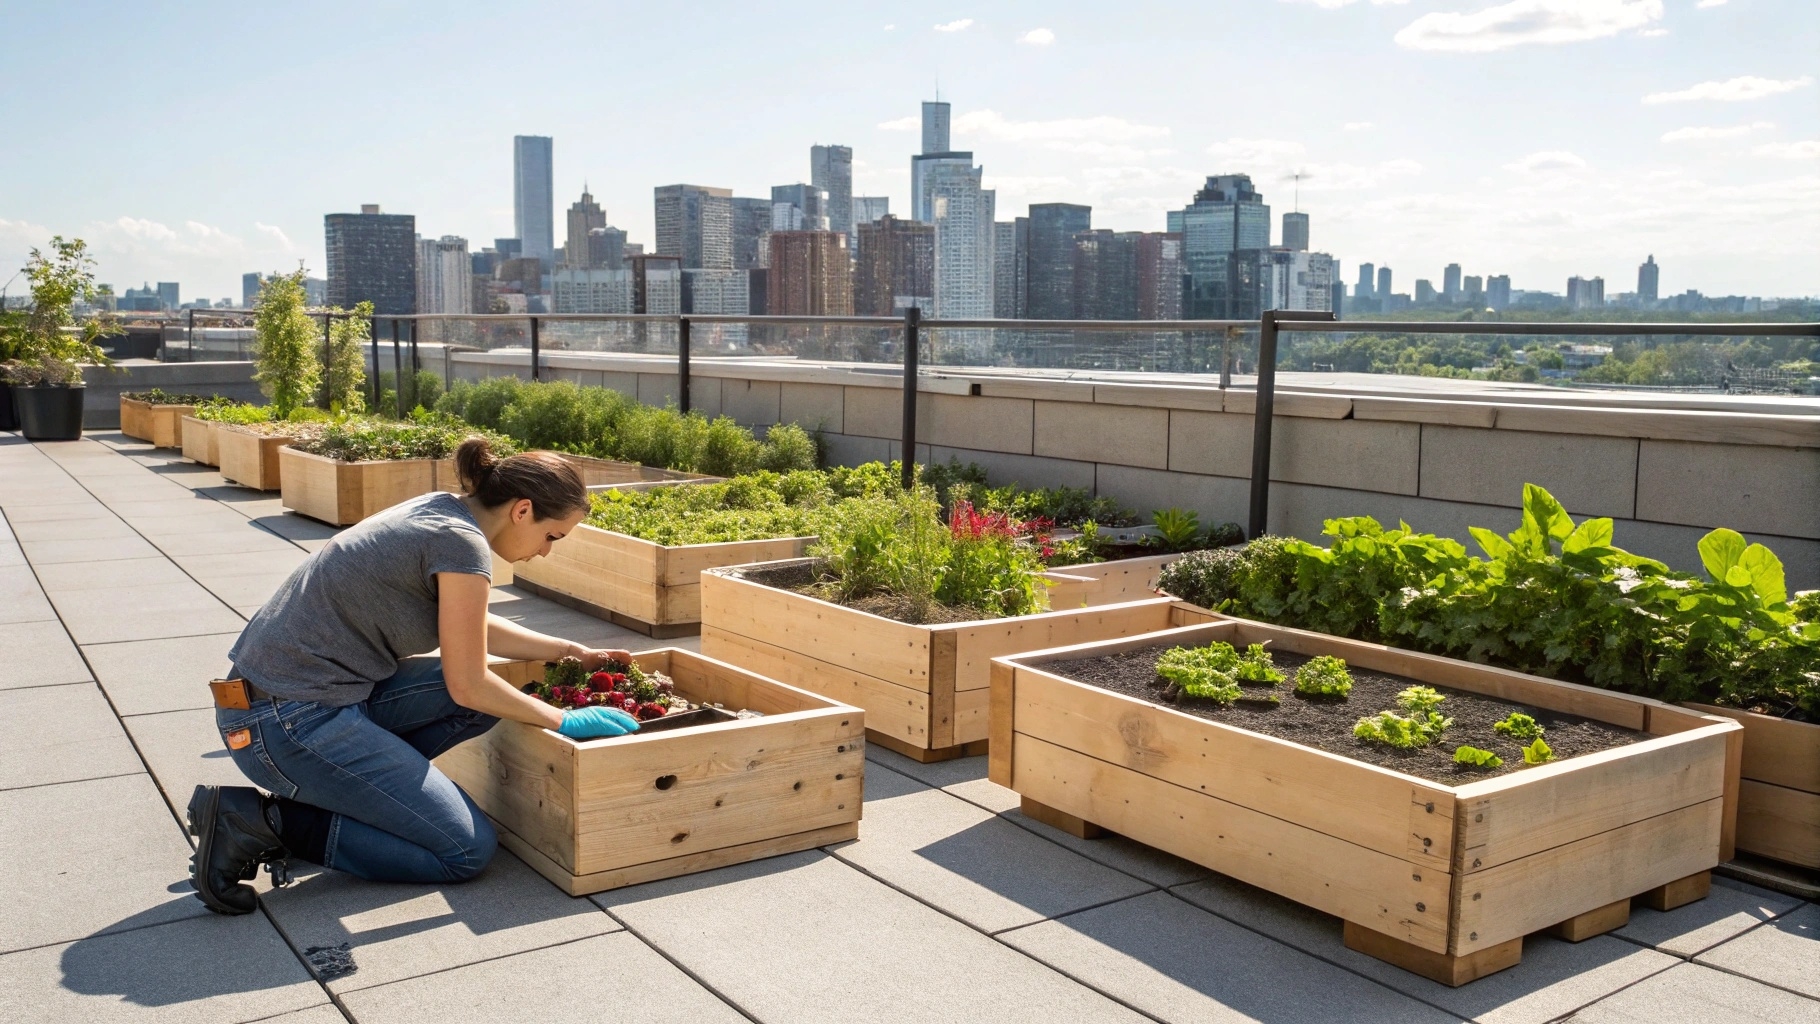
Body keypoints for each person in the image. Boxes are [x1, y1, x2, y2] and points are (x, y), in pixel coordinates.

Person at [187, 436, 644, 915]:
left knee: (488, 701)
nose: (546, 552)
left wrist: (570, 651)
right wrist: (562, 720)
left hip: (280, 702)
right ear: (523, 510)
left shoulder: (442, 511)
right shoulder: (461, 544)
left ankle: (355, 798)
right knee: (465, 850)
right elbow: (469, 683)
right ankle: (265, 823)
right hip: (285, 725)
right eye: (553, 536)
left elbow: (466, 625)